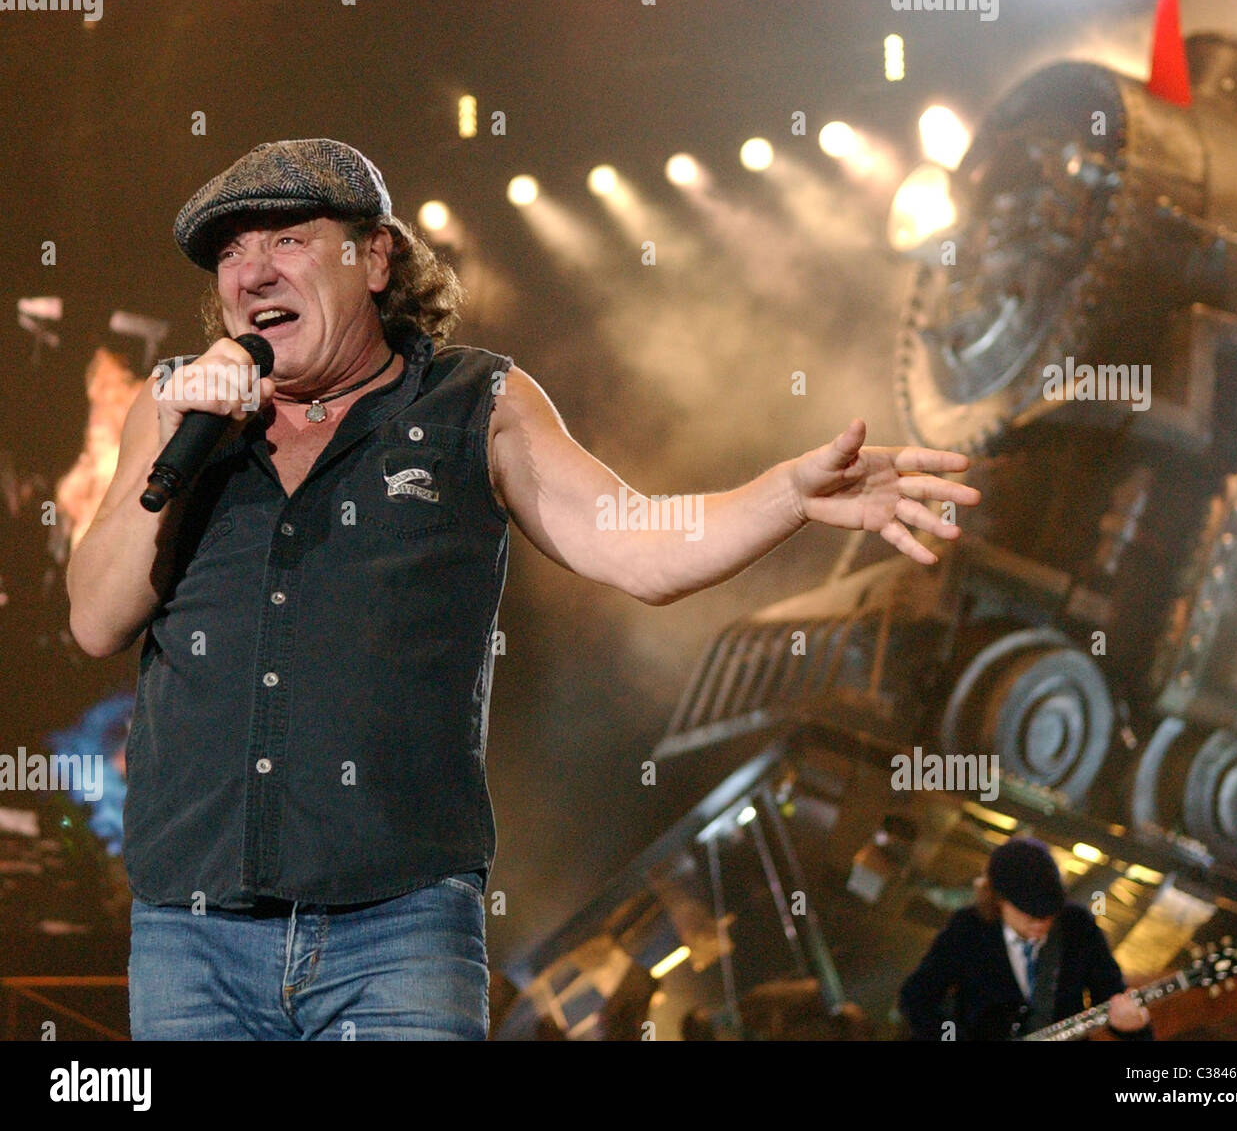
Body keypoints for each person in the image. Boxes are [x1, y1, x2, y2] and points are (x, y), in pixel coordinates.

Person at [66, 138, 982, 1040]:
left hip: (397, 935)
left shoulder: (476, 402)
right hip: (193, 937)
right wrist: (181, 432)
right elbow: (97, 619)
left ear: (376, 256)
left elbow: (640, 549)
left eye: (286, 240)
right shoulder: (177, 409)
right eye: (230, 252)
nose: (252, 273)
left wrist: (784, 495)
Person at [898, 836, 1153, 1041]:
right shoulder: (969, 928)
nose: (1040, 923)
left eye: (1048, 914)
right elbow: (916, 998)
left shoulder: (1078, 927)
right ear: (998, 900)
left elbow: (1111, 998)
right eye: (1028, 913)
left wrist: (1134, 1028)